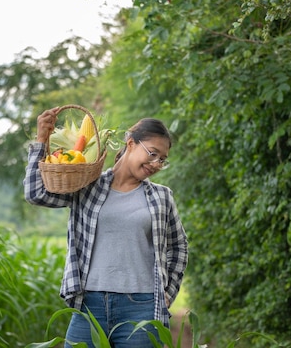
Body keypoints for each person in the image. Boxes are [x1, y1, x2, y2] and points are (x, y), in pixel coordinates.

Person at [24, 107, 188, 347]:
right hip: (89, 306)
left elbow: (179, 246)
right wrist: (41, 141)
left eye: (162, 160)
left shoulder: (161, 197)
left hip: (141, 308)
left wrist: (168, 293)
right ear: (131, 143)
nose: (156, 164)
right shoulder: (87, 186)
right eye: (152, 154)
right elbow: (35, 194)